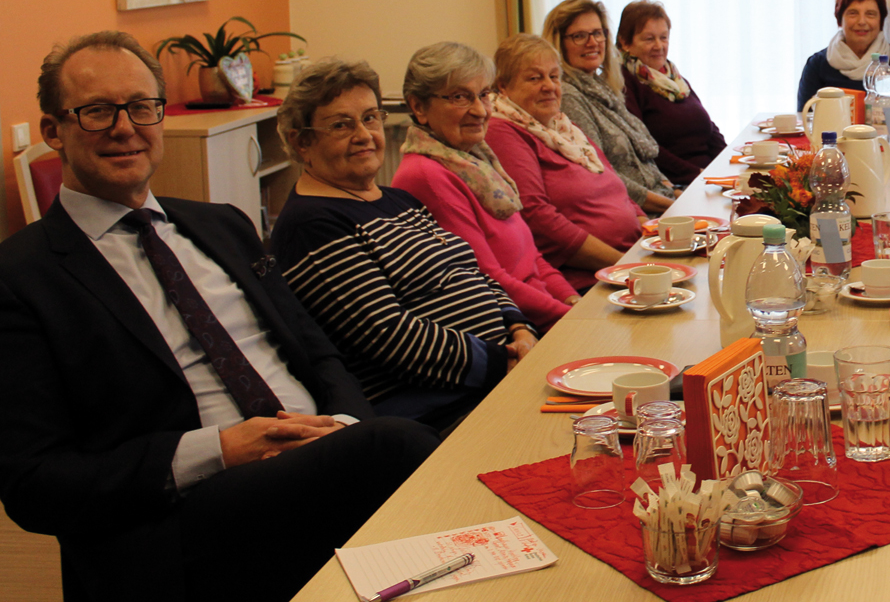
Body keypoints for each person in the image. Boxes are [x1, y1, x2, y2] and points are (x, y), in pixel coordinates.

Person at [0, 32, 439, 602]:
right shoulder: (21, 277)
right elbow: (35, 486)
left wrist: (344, 431)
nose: (124, 127)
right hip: (181, 515)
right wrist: (223, 448)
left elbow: (317, 355)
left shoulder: (221, 226)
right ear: (53, 130)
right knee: (404, 451)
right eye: (96, 111)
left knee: (398, 457)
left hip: (324, 456)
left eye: (140, 106)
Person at [271, 58, 539, 430]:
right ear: (303, 142)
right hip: (440, 410)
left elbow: (474, 274)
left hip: (498, 377)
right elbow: (389, 335)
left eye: (370, 118)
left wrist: (520, 329)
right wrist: (503, 361)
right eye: (340, 125)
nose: (364, 134)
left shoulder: (398, 200)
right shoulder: (311, 224)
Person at [392, 41, 579, 331]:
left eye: (483, 95)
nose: (480, 110)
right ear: (418, 106)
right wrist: (572, 319)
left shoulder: (476, 159)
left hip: (544, 311)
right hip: (515, 329)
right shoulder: (426, 175)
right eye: (459, 97)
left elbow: (532, 258)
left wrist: (571, 300)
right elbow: (489, 278)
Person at [487, 34, 645, 290]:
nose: (549, 86)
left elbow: (615, 185)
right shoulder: (503, 131)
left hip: (631, 259)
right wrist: (625, 265)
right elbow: (537, 216)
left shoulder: (562, 127)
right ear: (503, 86)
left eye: (554, 76)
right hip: (591, 279)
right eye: (534, 78)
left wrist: (653, 240)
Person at [542, 0, 675, 214]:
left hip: (662, 200)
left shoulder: (604, 86)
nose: (593, 42)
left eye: (597, 33)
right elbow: (603, 173)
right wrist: (676, 206)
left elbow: (646, 162)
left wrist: (679, 195)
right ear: (559, 44)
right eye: (579, 36)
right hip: (637, 213)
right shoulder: (568, 96)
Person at [615, 0, 727, 186]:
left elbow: (709, 128)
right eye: (649, 39)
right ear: (625, 43)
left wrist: (727, 163)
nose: (659, 46)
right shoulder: (625, 82)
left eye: (664, 37)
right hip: (676, 183)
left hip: (707, 177)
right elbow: (645, 146)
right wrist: (698, 174)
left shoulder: (673, 79)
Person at [797, 0, 890, 110]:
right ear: (840, 20)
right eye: (853, 13)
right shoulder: (816, 65)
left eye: (870, 14)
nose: (861, 21)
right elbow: (805, 118)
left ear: (881, 22)